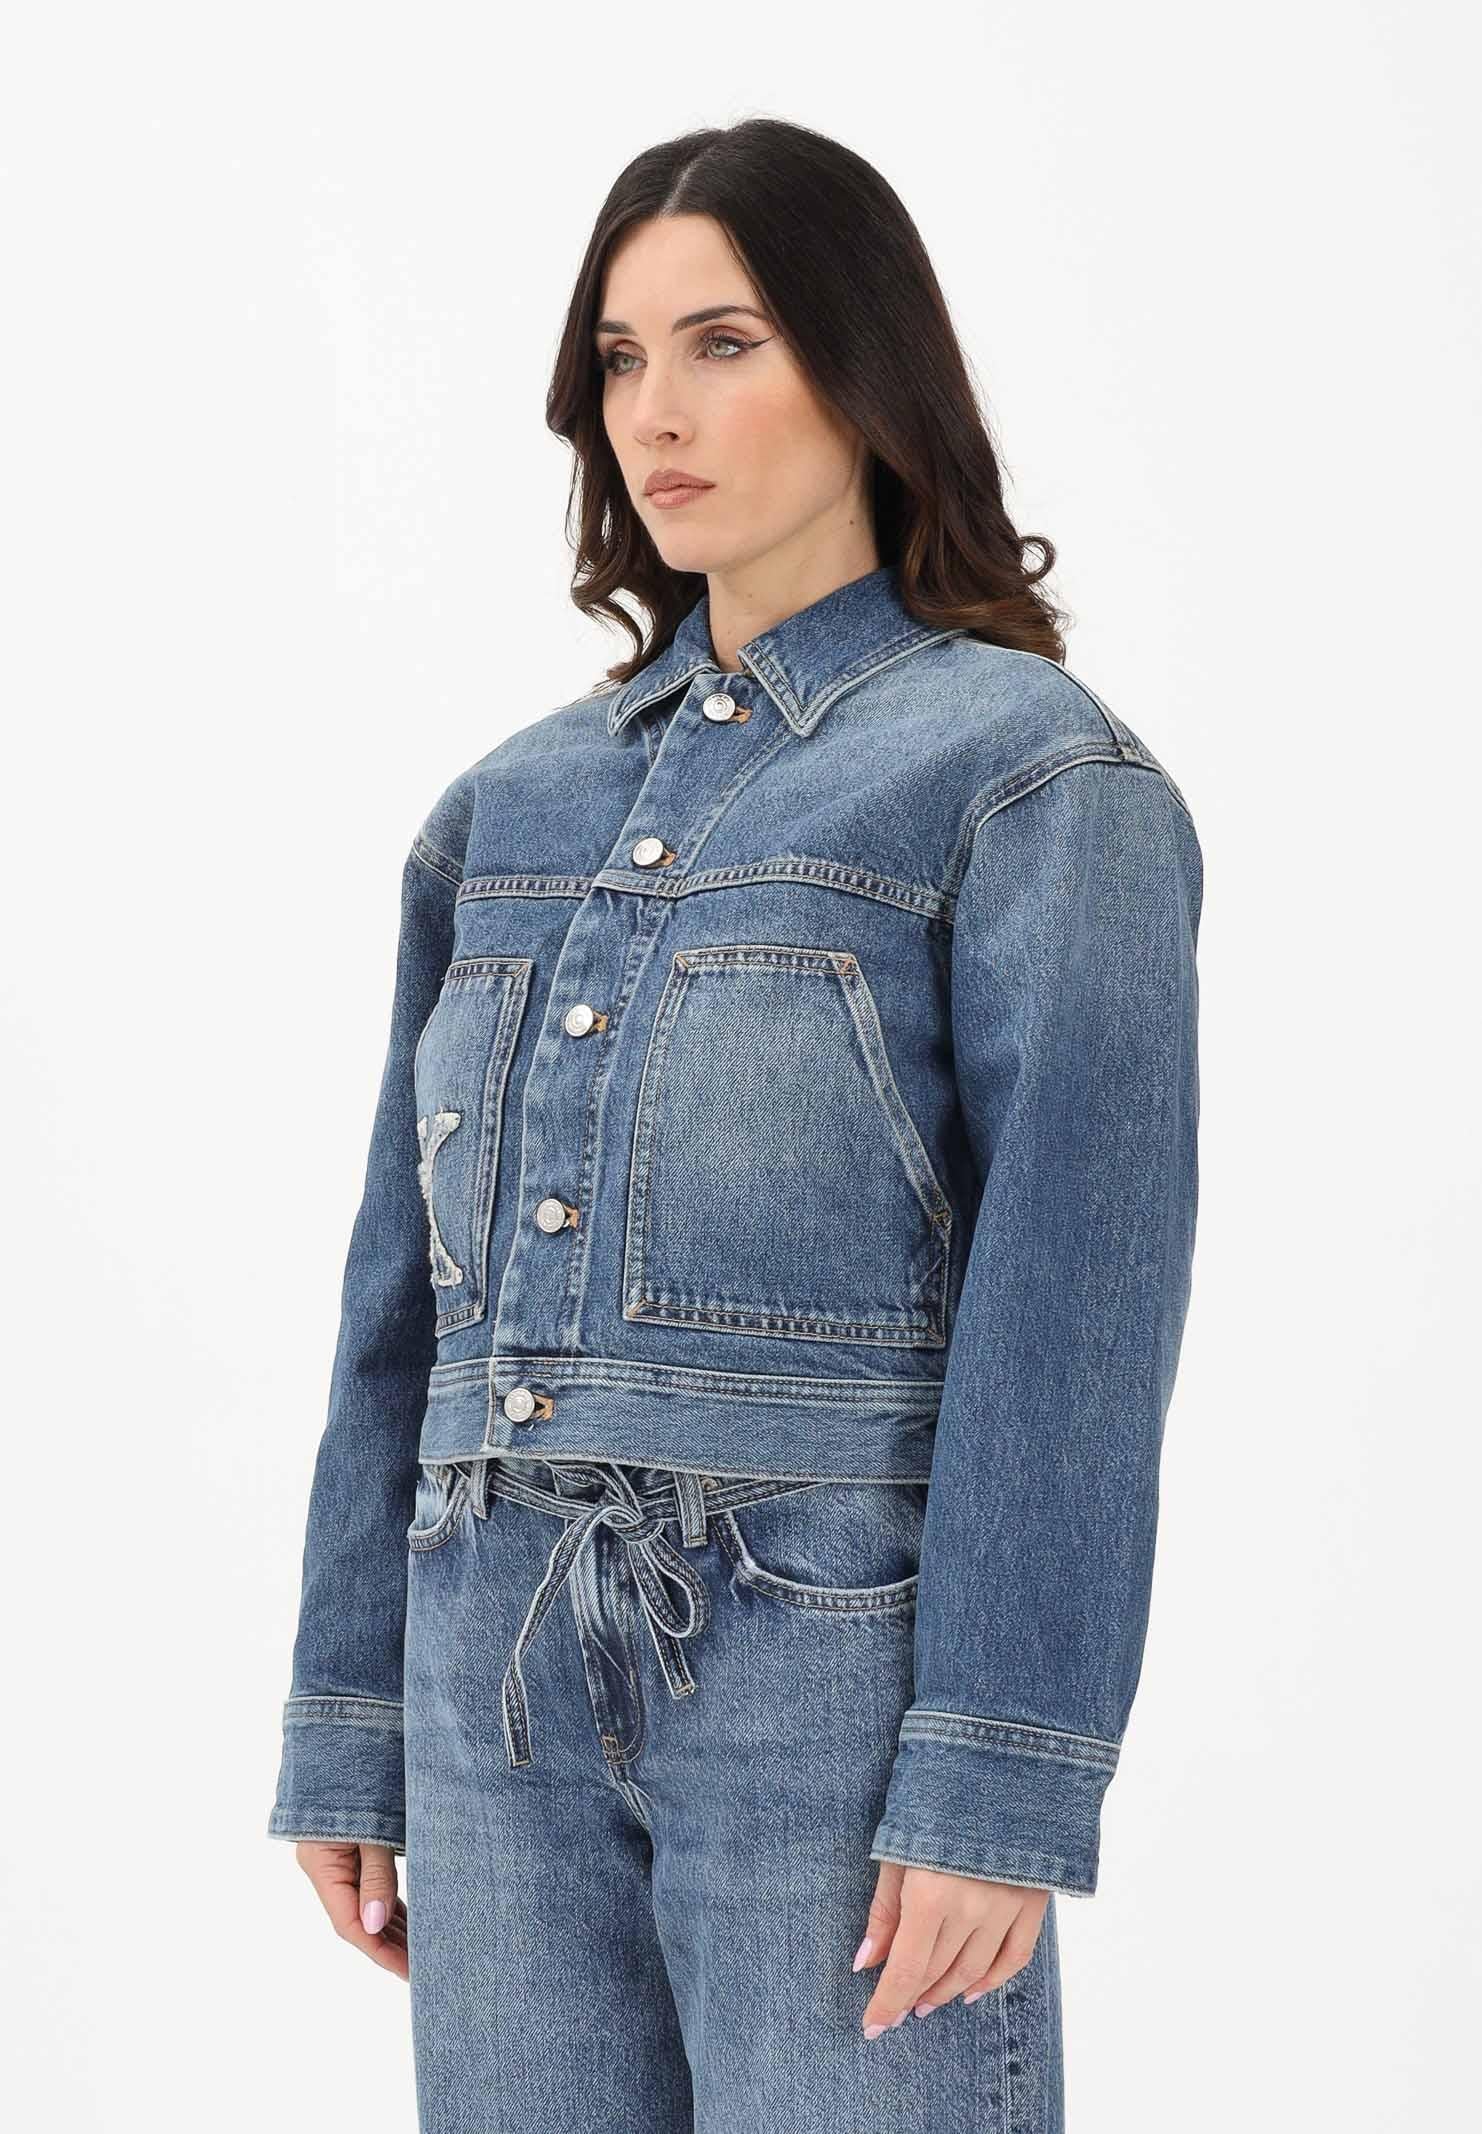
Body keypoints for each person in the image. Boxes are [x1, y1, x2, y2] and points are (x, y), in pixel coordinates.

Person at [267, 115, 1203, 2133]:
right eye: (619, 359)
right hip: (489, 1681)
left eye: (722, 343)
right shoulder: (502, 810)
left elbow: (1075, 1312)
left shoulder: (1029, 780)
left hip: (829, 1698)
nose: (654, 415)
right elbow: (395, 1304)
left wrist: (1000, 1770)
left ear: (865, 371)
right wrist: (349, 1711)